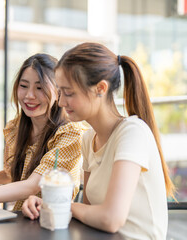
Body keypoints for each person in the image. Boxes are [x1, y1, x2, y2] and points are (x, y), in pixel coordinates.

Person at [22, 42, 175, 239]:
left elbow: (111, 219)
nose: (60, 102)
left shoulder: (132, 133)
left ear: (101, 88)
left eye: (68, 93)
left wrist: (59, 205)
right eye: (60, 92)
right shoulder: (88, 139)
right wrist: (46, 205)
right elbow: (89, 214)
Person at [0, 53, 84, 212]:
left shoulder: (70, 134)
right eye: (24, 86)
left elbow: (32, 185)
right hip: (20, 218)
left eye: (40, 88)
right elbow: (13, 174)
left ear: (58, 91)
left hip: (51, 222)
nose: (29, 96)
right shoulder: (15, 128)